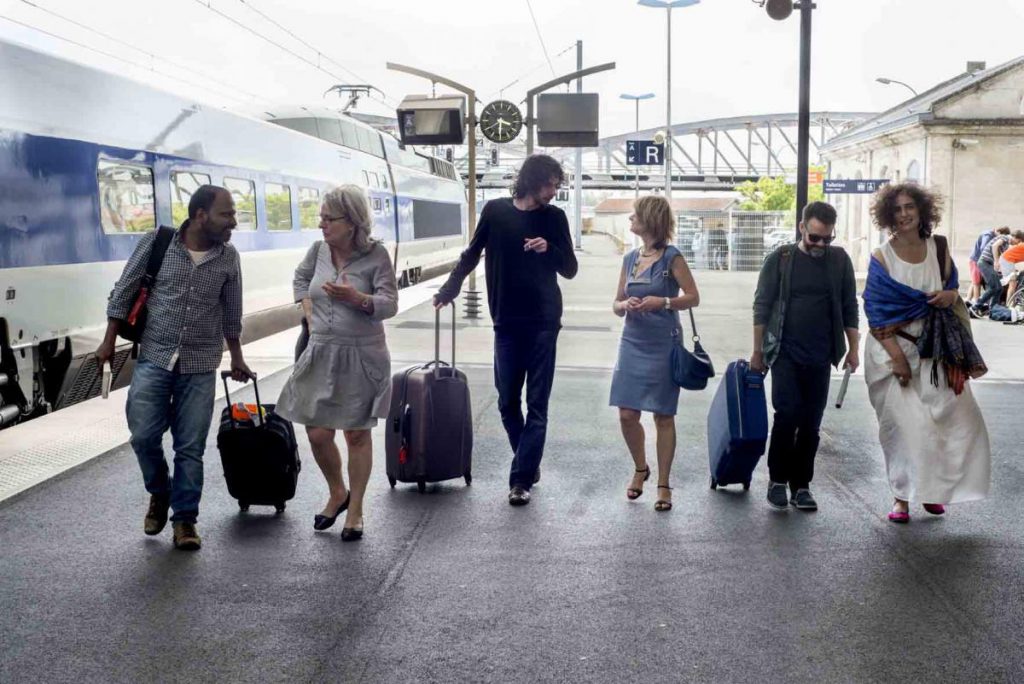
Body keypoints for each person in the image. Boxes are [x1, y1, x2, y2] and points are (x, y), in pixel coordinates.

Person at [97, 185, 251, 551]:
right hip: (155, 355)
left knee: (190, 447)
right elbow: (124, 290)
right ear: (200, 215)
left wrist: (237, 356)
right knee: (143, 436)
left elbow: (232, 313)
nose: (233, 222)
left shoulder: (229, 257)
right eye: (226, 214)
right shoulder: (158, 242)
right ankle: (160, 491)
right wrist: (108, 342)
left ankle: (185, 520)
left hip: (200, 362)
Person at [433, 154, 578, 506]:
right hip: (506, 322)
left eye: (557, 186)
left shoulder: (554, 218)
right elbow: (471, 254)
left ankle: (520, 480)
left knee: (537, 404)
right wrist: (449, 290)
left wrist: (549, 249)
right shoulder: (496, 212)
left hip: (544, 321)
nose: (554, 192)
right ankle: (527, 459)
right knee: (507, 401)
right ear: (532, 181)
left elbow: (570, 268)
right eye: (550, 185)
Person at [275, 185, 398, 541]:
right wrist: (308, 310)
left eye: (329, 218)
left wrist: (358, 298)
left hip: (361, 354)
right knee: (317, 432)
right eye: (322, 218)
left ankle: (355, 509)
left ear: (352, 222)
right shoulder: (318, 251)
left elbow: (390, 303)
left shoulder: (376, 255)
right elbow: (301, 279)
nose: (322, 224)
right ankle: (337, 491)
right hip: (321, 352)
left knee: (356, 433)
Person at [862, 183, 990, 523]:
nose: (904, 214)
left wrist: (950, 295)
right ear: (888, 216)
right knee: (904, 431)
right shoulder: (881, 256)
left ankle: (932, 491)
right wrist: (898, 359)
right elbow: (876, 313)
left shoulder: (939, 247)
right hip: (891, 351)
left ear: (921, 210)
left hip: (936, 351)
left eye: (910, 207)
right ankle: (901, 499)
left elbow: (951, 288)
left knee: (955, 422)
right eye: (897, 209)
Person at [751, 201, 859, 512]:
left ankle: (801, 485)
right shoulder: (781, 259)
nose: (821, 244)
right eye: (814, 238)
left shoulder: (839, 261)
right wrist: (758, 351)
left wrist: (853, 348)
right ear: (801, 228)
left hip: (821, 355)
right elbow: (761, 306)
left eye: (827, 238)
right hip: (784, 351)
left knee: (811, 422)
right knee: (787, 415)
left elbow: (849, 305)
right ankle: (777, 480)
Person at [610, 196, 700, 512]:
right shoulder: (630, 258)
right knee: (627, 414)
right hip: (632, 342)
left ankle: (663, 484)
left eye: (635, 215)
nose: (630, 219)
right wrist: (625, 304)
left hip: (664, 344)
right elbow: (616, 304)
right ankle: (640, 468)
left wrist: (662, 302)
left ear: (650, 220)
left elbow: (693, 297)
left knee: (663, 415)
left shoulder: (672, 257)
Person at [973, 229, 1019, 314]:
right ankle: (976, 306)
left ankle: (993, 309)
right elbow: (995, 246)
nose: (1017, 244)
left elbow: (1004, 259)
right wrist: (996, 261)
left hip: (988, 264)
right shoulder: (1006, 237)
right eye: (1018, 241)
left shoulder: (1006, 244)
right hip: (985, 262)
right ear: (1015, 237)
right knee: (994, 287)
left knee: (999, 288)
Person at [967, 226, 1009, 303]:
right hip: (976, 259)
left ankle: (968, 300)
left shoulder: (990, 235)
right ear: (998, 232)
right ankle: (977, 302)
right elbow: (983, 247)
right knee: (977, 282)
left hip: (977, 259)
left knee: (974, 281)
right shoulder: (988, 235)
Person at [997, 231, 1024, 303]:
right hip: (1007, 260)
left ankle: (1010, 302)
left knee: (1012, 283)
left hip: (1007, 260)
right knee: (1012, 283)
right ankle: (1008, 303)